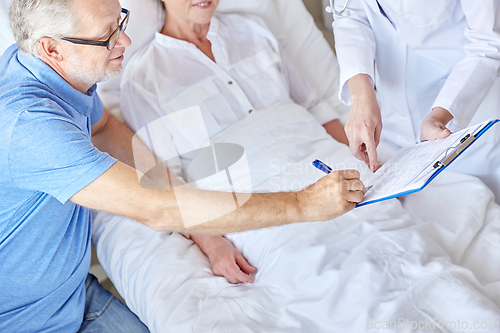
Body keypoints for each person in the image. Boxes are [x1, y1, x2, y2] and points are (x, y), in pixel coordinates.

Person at [0, 0, 365, 331]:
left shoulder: (49, 70)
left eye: (120, 22)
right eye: (107, 36)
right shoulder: (30, 125)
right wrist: (301, 204)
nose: (124, 42)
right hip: (23, 320)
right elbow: (157, 210)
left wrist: (193, 217)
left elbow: (104, 126)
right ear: (51, 48)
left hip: (72, 298)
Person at [119, 0, 355, 285]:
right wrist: (213, 244)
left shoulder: (252, 29)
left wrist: (360, 158)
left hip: (328, 170)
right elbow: (167, 182)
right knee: (326, 276)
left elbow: (314, 105)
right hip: (259, 206)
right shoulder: (143, 77)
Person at [332, 0, 500, 203]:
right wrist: (361, 97)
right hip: (394, 124)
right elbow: (349, 13)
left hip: (467, 118)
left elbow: (488, 41)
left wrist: (440, 114)